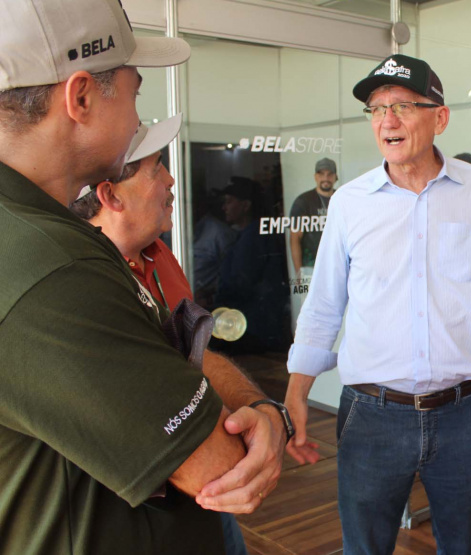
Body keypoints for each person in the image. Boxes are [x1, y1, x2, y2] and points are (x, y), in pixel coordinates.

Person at [0, 2, 283, 552]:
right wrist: (258, 422)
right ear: (81, 98)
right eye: (135, 92)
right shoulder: (52, 267)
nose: (136, 120)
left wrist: (259, 404)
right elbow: (221, 468)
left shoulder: (41, 235)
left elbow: (171, 354)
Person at [284, 54, 471, 554]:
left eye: (404, 106)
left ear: (440, 117)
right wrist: (297, 392)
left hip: (464, 415)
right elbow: (322, 307)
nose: (387, 120)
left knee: (462, 546)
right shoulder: (350, 203)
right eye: (377, 108)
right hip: (372, 415)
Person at [70, 115, 299, 555]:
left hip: (199, 504)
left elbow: (195, 356)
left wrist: (260, 406)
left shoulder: (158, 255)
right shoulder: (80, 284)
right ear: (110, 195)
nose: (171, 180)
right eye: (156, 168)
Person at [217, 176, 291, 353]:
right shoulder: (248, 234)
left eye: (229, 201)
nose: (224, 207)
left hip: (253, 328)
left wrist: (217, 295)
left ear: (246, 205)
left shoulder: (253, 236)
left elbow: (241, 282)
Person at [289, 157, 338, 276]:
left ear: (335, 177)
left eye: (329, 174)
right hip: (311, 267)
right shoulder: (303, 201)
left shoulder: (341, 198)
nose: (325, 178)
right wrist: (299, 273)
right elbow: (295, 239)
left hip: (338, 265)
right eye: (321, 174)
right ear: (315, 177)